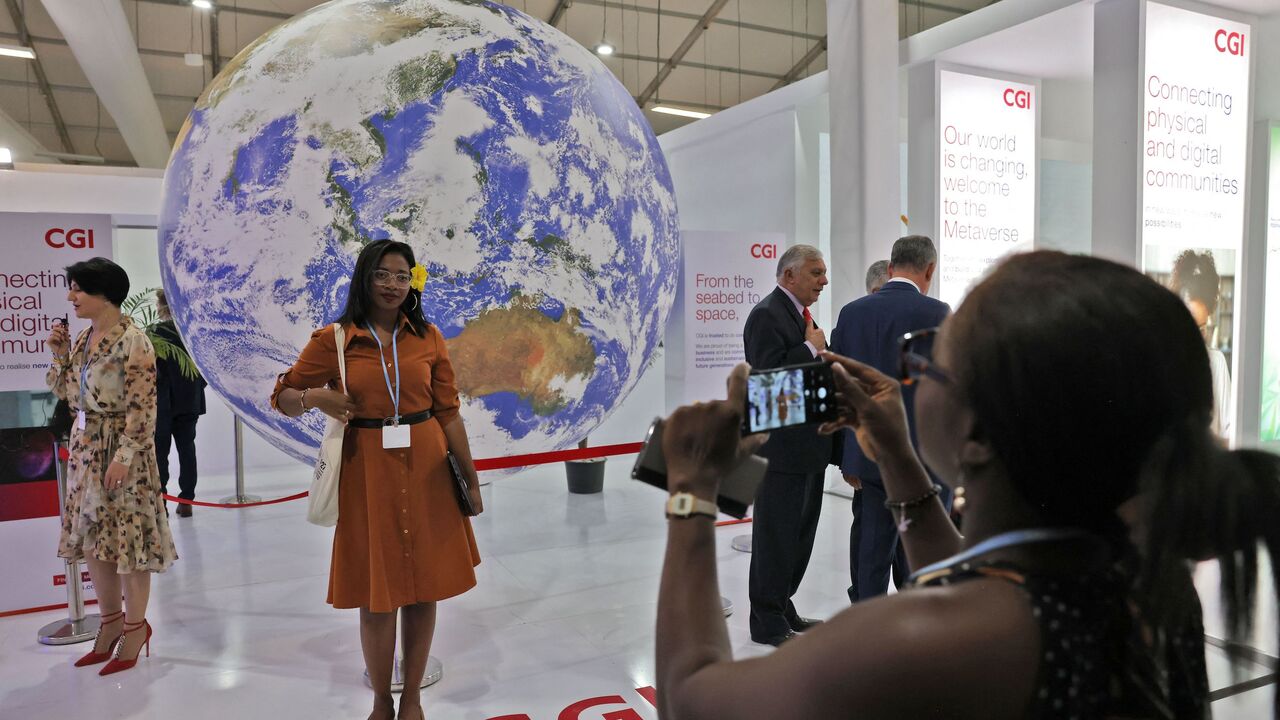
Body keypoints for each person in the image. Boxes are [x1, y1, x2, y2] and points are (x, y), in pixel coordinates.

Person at [653, 251, 1280, 718]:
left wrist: (694, 494)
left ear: (976, 434)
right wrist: (899, 457)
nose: (911, 372)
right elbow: (979, 578)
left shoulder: (923, 642)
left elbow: (693, 695)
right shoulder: (1148, 585)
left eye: (929, 356)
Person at [271, 239, 483, 720]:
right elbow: (283, 396)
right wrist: (317, 399)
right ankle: (381, 702)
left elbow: (448, 412)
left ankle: (413, 698)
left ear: (413, 282)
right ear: (364, 278)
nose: (392, 285)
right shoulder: (335, 339)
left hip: (428, 466)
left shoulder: (428, 336)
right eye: (382, 275)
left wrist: (469, 478)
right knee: (377, 593)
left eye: (402, 276)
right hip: (366, 472)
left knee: (424, 588)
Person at [45, 257, 177, 675]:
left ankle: (135, 629)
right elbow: (70, 397)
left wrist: (124, 456)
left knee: (129, 543)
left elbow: (144, 407)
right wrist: (62, 357)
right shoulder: (84, 338)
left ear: (103, 293)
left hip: (123, 452)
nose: (71, 297)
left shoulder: (133, 341)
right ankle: (109, 626)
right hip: (86, 448)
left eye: (78, 289)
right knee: (92, 541)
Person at [830, 235, 950, 602]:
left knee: (871, 548)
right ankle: (917, 621)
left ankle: (867, 626)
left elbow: (838, 387)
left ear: (892, 266)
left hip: (866, 454)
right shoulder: (938, 314)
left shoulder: (852, 313)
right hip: (922, 460)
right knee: (922, 545)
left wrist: (847, 457)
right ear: (930, 269)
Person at [741, 244, 831, 646]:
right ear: (788, 275)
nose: (824, 281)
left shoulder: (800, 316)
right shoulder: (766, 315)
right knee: (775, 536)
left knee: (799, 536)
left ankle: (782, 603)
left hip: (807, 448)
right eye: (816, 273)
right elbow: (768, 381)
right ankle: (765, 618)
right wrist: (812, 349)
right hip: (781, 452)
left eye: (824, 273)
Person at [153, 288, 207, 517]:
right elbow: (204, 371)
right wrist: (194, 389)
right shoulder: (191, 332)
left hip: (162, 404)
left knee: (160, 454)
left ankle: (162, 503)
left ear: (162, 307)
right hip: (188, 402)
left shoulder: (153, 333)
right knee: (187, 449)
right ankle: (186, 501)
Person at [1170, 250, 1233, 442]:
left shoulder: (1217, 362)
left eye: (1202, 328)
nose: (1195, 337)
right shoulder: (1162, 359)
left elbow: (1228, 429)